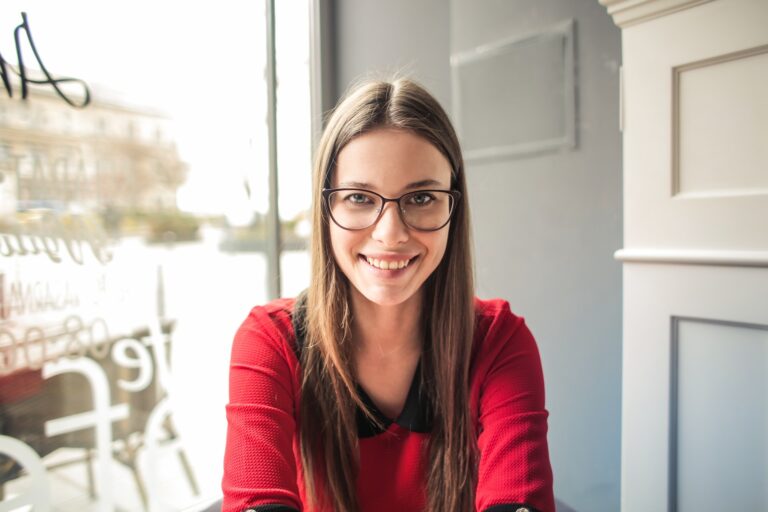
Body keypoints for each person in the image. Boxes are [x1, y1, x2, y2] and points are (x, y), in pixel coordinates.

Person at [222, 78, 554, 512]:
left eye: (422, 197)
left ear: (453, 207)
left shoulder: (499, 341)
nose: (391, 233)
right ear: (326, 209)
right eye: (359, 197)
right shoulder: (270, 340)